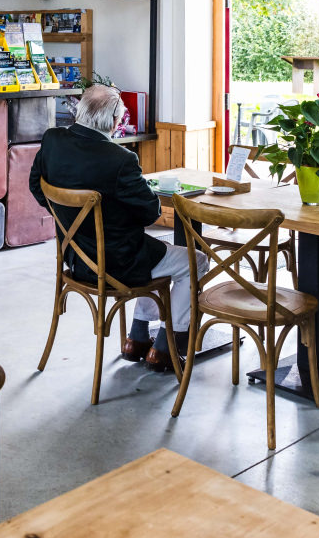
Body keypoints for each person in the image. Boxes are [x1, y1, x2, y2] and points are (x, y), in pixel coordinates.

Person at [30, 85, 206, 371]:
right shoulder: (121, 159)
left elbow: (36, 186)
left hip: (75, 260)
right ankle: (166, 346)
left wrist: (68, 216)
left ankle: (137, 339)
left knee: (152, 256)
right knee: (195, 261)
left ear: (81, 110)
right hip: (117, 264)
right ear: (115, 121)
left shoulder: (53, 140)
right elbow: (151, 212)